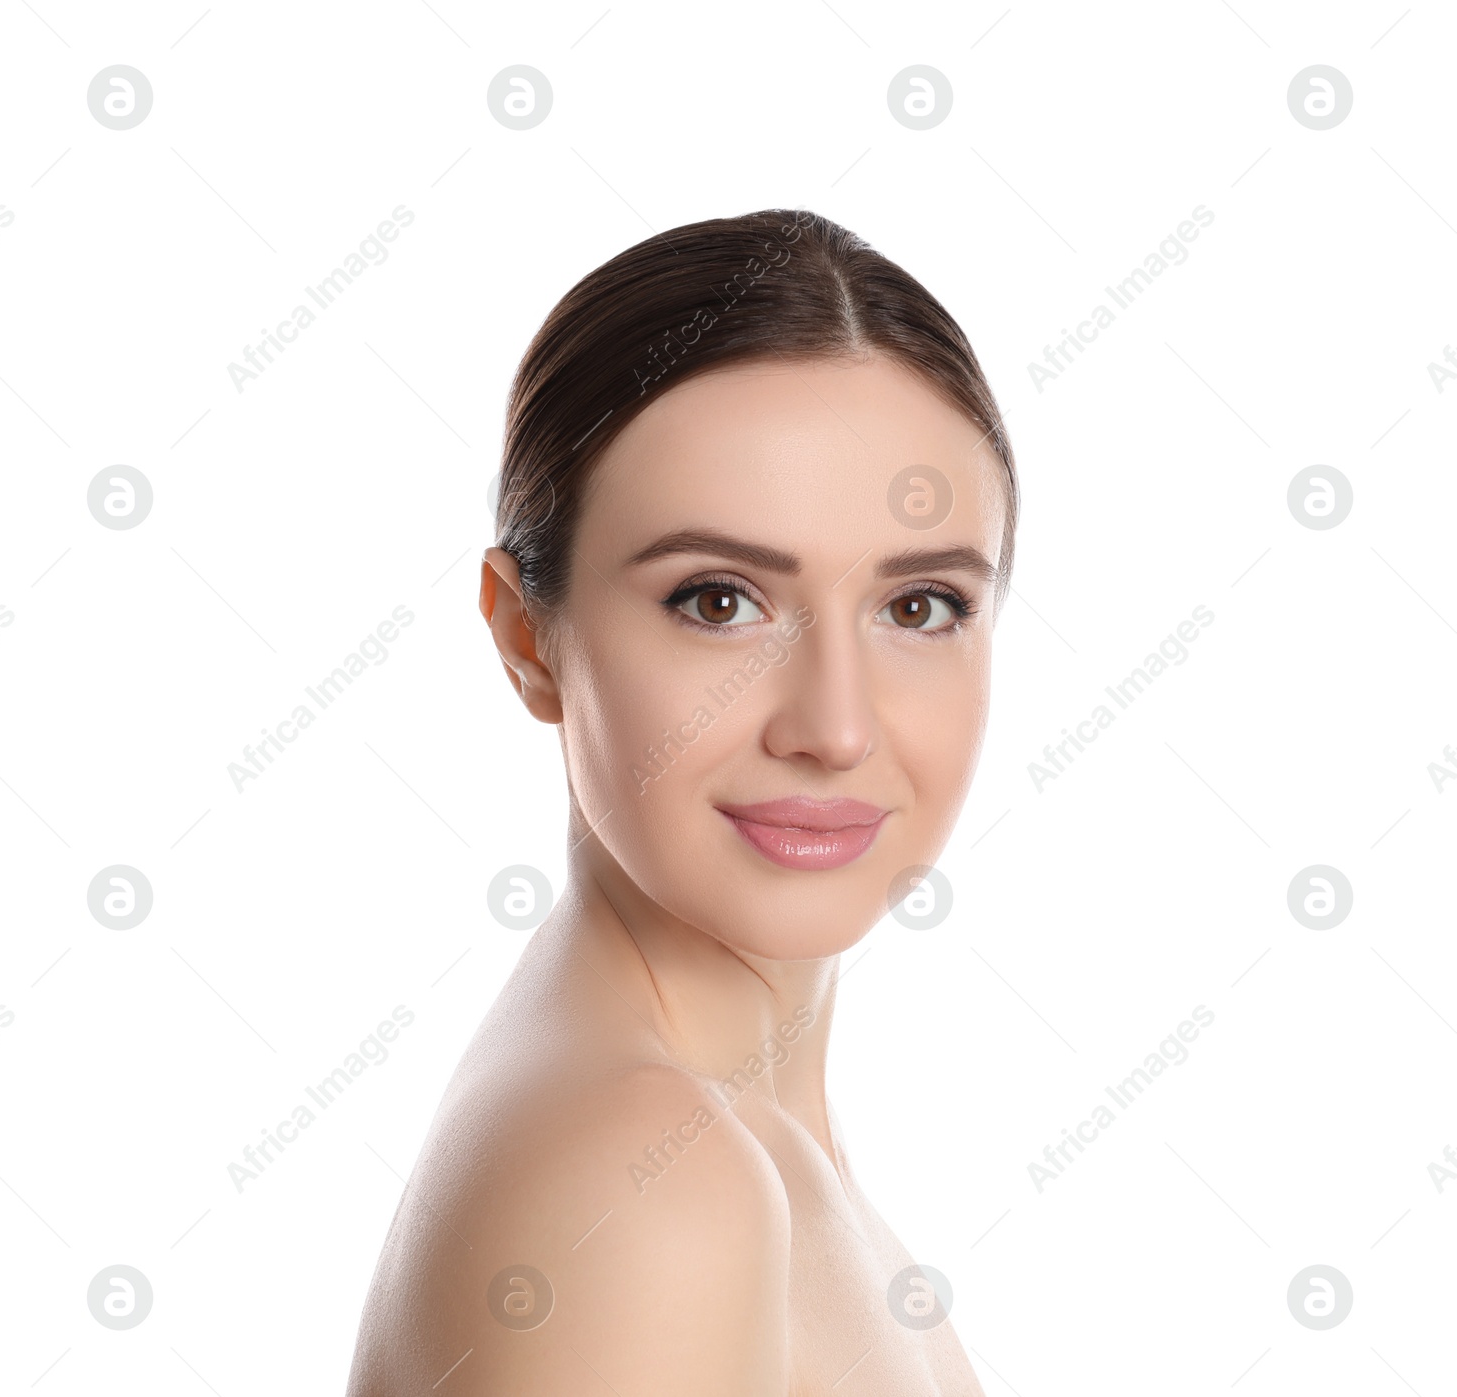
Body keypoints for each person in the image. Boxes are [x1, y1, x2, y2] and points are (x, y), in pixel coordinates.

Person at [346, 208, 1019, 1396]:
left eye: (918, 606)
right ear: (527, 638)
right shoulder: (648, 1185)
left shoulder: (727, 1132)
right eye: (719, 601)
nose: (835, 727)